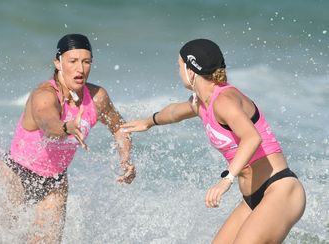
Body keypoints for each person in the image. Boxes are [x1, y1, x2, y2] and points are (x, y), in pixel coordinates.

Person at [121, 39, 305, 243]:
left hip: (280, 190)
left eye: (178, 65)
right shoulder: (201, 103)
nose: (178, 71)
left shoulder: (224, 101)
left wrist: (226, 179)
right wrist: (149, 122)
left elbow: (252, 137)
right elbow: (174, 112)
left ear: (190, 70)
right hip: (253, 198)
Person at [0, 34, 135, 243]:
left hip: (54, 182)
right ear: (58, 63)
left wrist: (125, 159)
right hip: (15, 175)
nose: (80, 69)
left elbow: (119, 127)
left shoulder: (97, 98)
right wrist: (67, 126)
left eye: (86, 62)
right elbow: (49, 125)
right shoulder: (44, 94)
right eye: (73, 61)